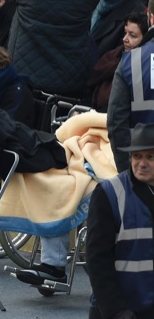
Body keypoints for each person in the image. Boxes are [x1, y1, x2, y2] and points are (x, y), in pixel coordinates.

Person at [85, 123, 154, 319]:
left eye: (150, 156)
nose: (142, 163)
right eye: (137, 156)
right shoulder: (109, 193)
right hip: (117, 309)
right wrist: (116, 310)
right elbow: (97, 259)